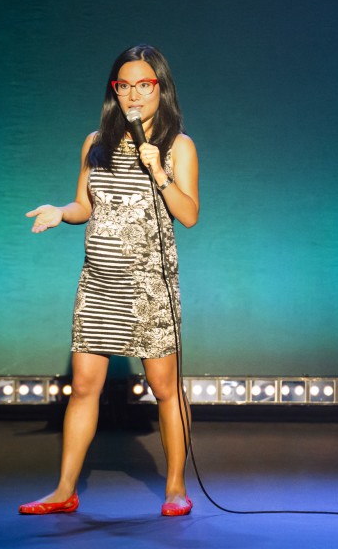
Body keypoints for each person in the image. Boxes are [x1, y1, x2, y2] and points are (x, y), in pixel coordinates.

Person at [20, 44, 199, 517]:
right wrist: (62, 211)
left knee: (165, 389)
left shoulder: (178, 146)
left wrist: (158, 171)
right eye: (124, 86)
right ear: (113, 91)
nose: (133, 95)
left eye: (144, 85)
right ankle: (64, 489)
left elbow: (189, 215)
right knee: (83, 387)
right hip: (99, 285)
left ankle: (176, 488)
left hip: (150, 290)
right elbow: (85, 205)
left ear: (161, 88)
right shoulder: (95, 141)